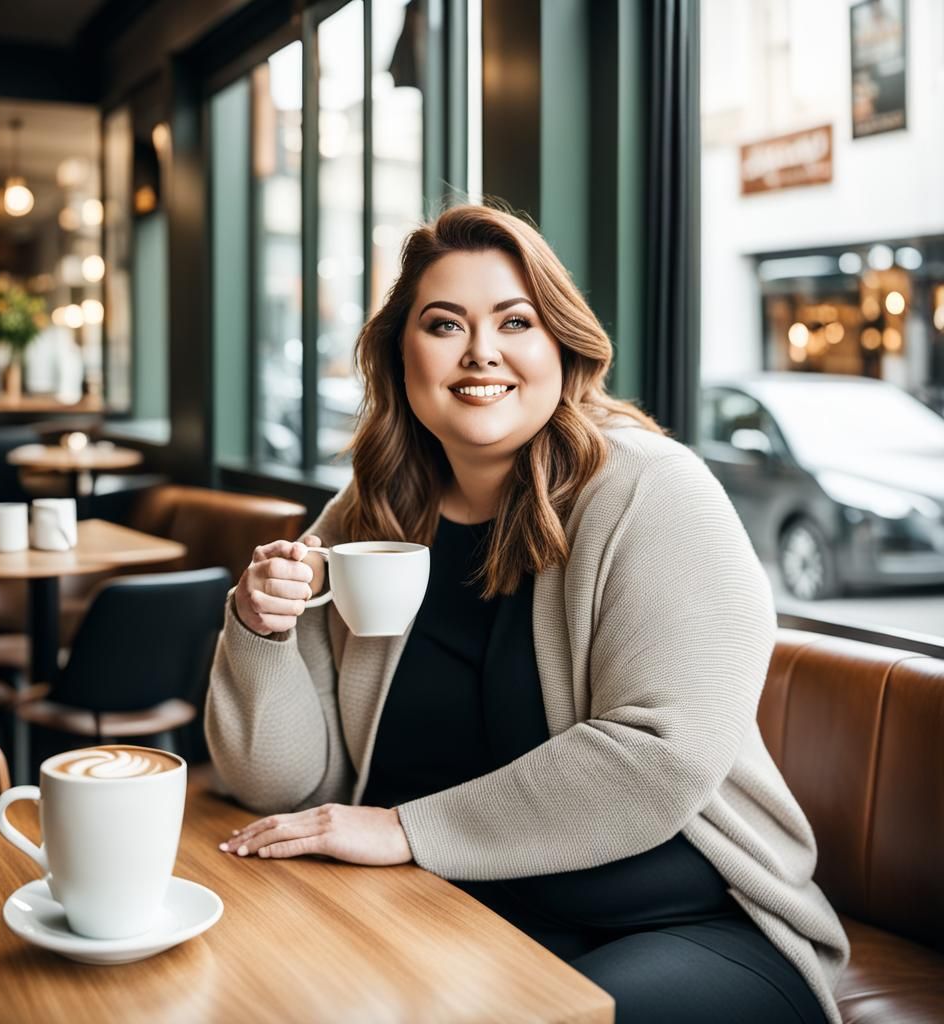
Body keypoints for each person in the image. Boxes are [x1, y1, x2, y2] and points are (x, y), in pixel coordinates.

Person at [205, 205, 848, 1023]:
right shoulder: (369, 515)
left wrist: (405, 829)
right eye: (444, 324)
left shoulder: (654, 489)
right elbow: (281, 784)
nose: (481, 351)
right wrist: (261, 631)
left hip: (687, 924)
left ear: (560, 346)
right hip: (454, 912)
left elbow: (660, 753)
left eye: (516, 320)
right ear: (400, 352)